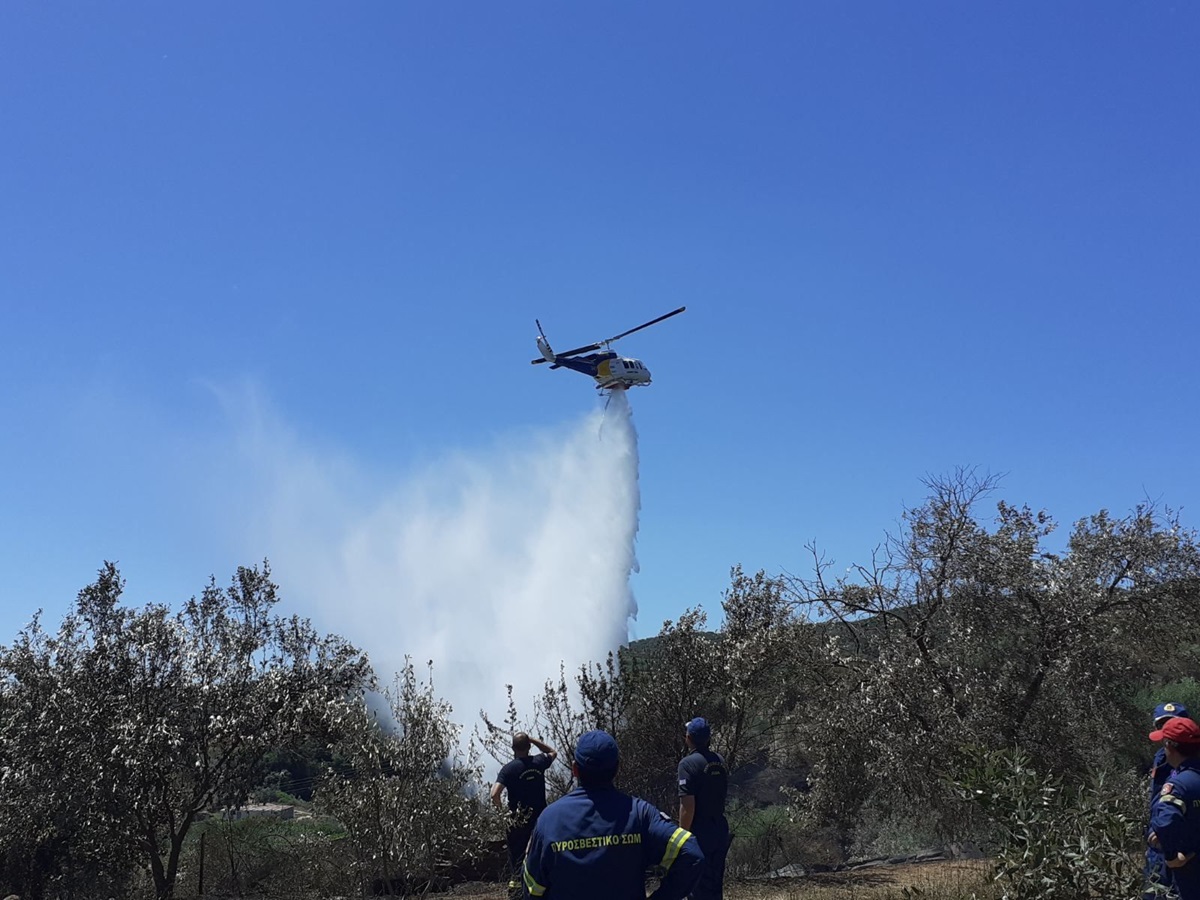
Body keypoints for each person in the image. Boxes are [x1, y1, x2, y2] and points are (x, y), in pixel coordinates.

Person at [523, 729, 704, 900]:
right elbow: (692, 853)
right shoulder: (639, 814)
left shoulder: (549, 820)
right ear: (617, 769)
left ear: (575, 769)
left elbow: (532, 888)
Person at [491, 733, 557, 893]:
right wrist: (533, 740)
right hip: (540, 820)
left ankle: (517, 892)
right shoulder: (539, 762)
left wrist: (503, 814)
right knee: (540, 855)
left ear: (513, 748)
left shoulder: (508, 769)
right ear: (528, 747)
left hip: (517, 821)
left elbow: (494, 794)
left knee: (518, 858)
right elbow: (553, 752)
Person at [678, 717, 730, 900]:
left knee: (696, 887)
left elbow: (688, 807)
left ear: (688, 738)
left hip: (699, 833)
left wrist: (681, 837)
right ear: (708, 739)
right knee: (715, 885)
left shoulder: (687, 764)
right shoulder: (720, 761)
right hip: (719, 829)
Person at [1148, 716, 1200, 900]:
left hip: (1188, 877)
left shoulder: (1177, 785)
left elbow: (1165, 821)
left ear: (1169, 746)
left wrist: (1172, 856)